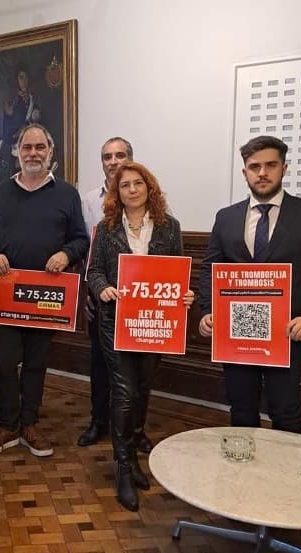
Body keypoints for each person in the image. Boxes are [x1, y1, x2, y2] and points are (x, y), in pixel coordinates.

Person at [199, 135, 301, 434]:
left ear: (284, 168)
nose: (262, 173)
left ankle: (285, 479)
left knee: (285, 410)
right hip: (236, 332)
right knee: (241, 408)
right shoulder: (225, 218)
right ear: (244, 172)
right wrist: (207, 311)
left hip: (288, 332)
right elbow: (210, 268)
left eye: (270, 165)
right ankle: (244, 476)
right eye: (254, 166)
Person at [0, 123, 89, 458]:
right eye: (27, 147)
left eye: (40, 147)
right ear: (17, 153)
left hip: (47, 296)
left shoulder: (67, 194)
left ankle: (30, 424)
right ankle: (7, 425)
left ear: (51, 153)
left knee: (37, 363)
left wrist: (65, 254)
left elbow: (81, 239)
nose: (34, 153)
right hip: (9, 294)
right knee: (4, 361)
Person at [88, 161, 194, 512]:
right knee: (124, 390)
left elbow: (178, 271)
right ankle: (122, 465)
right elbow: (94, 271)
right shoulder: (105, 229)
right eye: (124, 185)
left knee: (143, 388)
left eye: (138, 183)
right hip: (114, 323)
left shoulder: (169, 227)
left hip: (155, 324)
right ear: (116, 193)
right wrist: (102, 288)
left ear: (150, 187)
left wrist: (185, 295)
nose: (131, 190)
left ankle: (132, 455)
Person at [78, 137, 136, 449]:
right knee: (99, 363)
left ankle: (133, 428)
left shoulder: (146, 197)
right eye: (107, 157)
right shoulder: (88, 201)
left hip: (138, 300)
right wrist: (90, 290)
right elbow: (83, 247)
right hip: (100, 296)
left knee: (137, 369)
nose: (113, 161)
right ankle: (98, 421)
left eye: (120, 155)